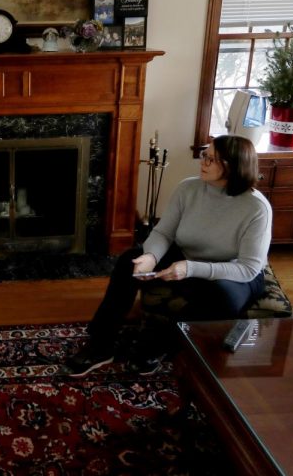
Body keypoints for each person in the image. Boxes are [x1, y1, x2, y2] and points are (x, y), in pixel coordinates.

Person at [64, 134, 272, 377]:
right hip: (186, 256)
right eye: (205, 154)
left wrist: (190, 268)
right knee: (128, 262)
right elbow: (163, 232)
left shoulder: (256, 208)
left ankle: (158, 344)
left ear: (235, 165)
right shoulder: (188, 188)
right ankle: (101, 343)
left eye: (212, 159)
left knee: (223, 297)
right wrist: (151, 256)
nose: (203, 162)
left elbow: (248, 268)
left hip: (232, 272)